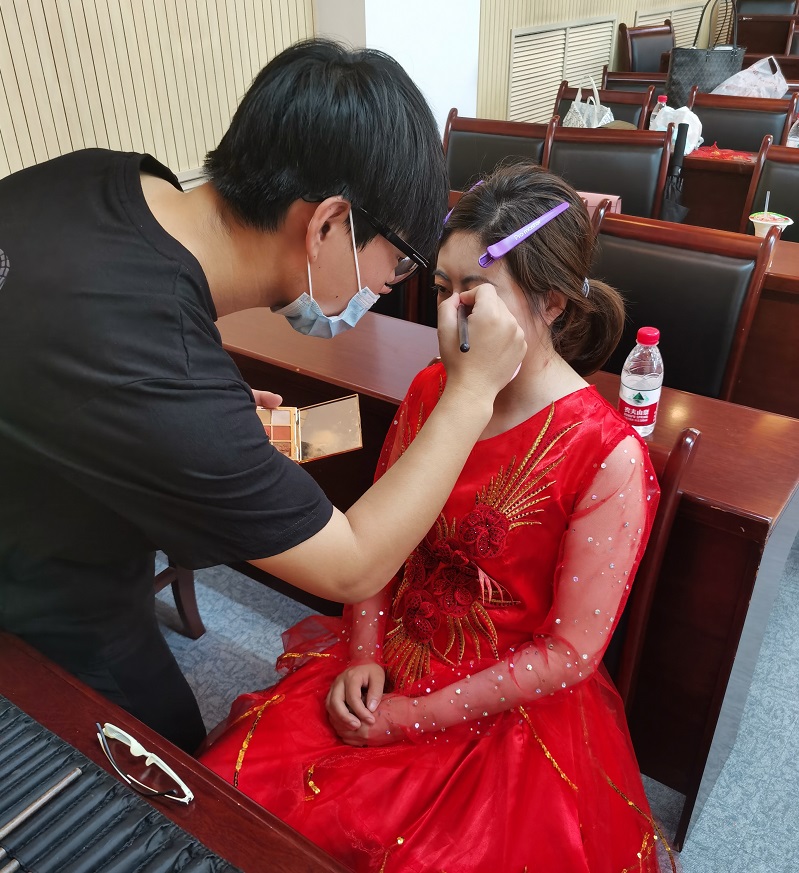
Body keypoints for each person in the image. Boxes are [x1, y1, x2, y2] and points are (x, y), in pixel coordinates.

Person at [0, 40, 526, 753]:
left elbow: (113, 363)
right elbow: (351, 566)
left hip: (45, 491)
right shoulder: (160, 366)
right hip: (36, 589)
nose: (387, 285)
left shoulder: (103, 176)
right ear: (327, 224)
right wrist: (471, 391)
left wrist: (197, 404)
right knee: (172, 767)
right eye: (402, 263)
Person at [199, 165, 677, 873]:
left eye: (471, 293)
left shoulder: (607, 456)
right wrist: (364, 653)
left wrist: (412, 716)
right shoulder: (434, 388)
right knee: (237, 797)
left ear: (549, 303)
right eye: (443, 289)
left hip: (498, 700)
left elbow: (570, 652)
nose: (448, 315)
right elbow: (379, 537)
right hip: (390, 652)